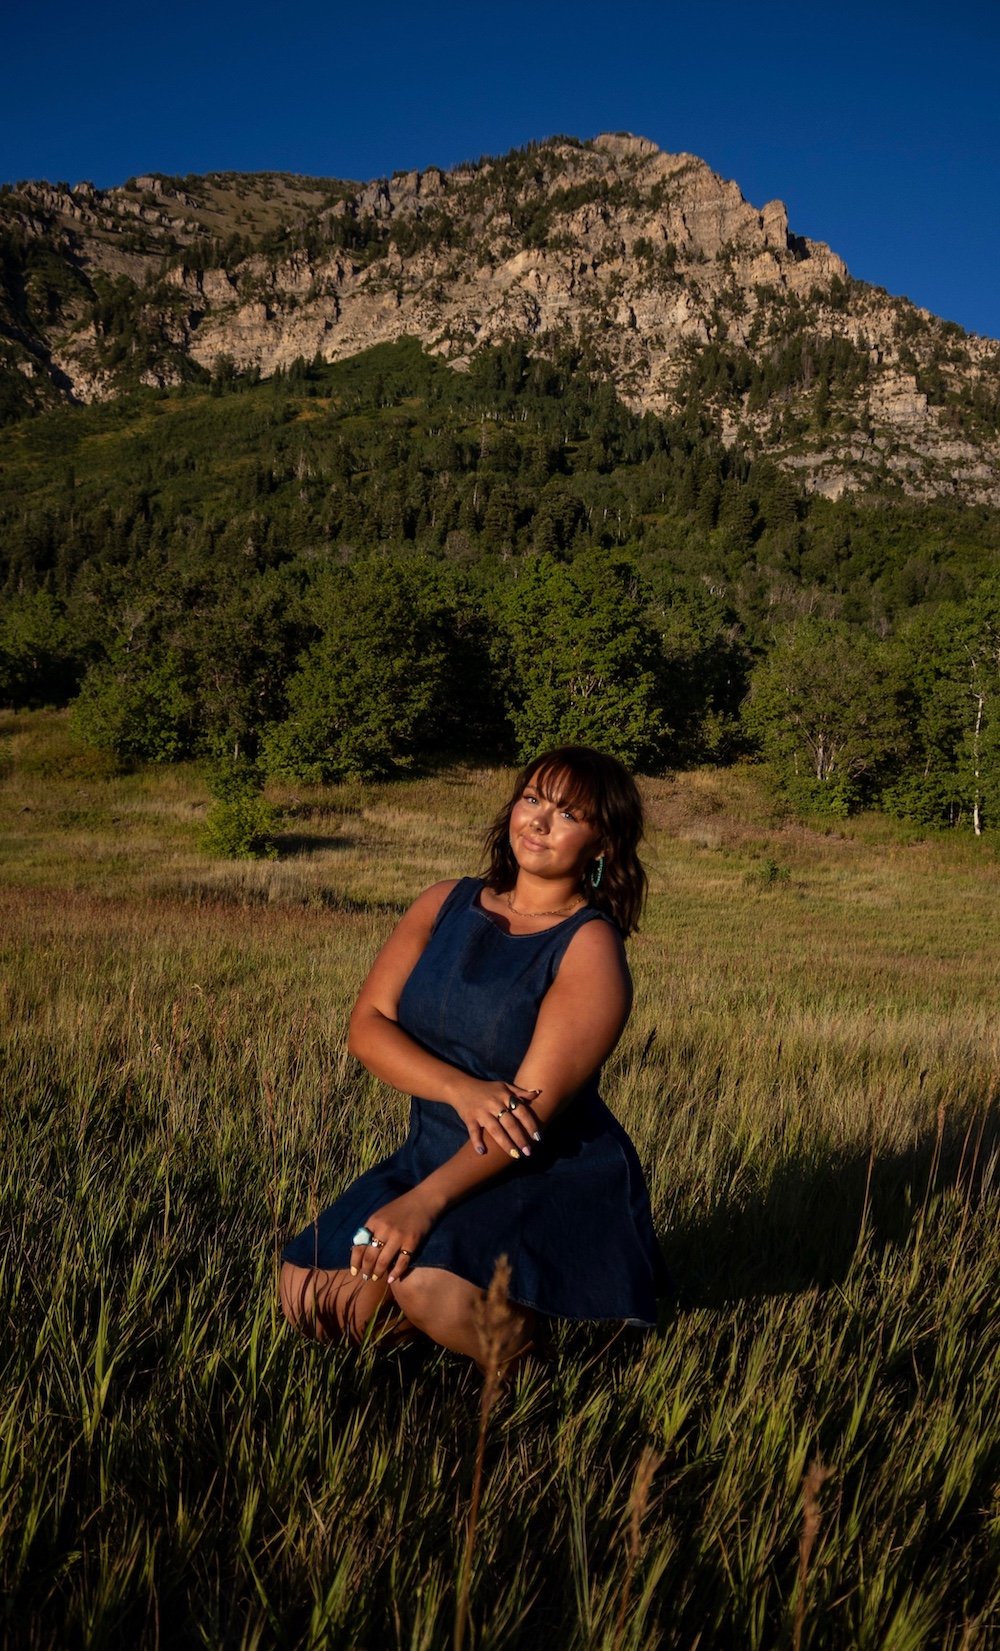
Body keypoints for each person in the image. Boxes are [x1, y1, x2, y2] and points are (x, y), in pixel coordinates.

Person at [279, 745, 666, 1368]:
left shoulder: (589, 947)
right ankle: (445, 1330)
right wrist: (461, 1090)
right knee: (311, 1299)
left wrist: (424, 1204)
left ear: (602, 846)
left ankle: (541, 1364)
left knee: (427, 1281)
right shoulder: (444, 903)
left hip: (538, 1174)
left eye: (568, 814)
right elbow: (368, 1028)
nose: (538, 822)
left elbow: (527, 1117)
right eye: (533, 799)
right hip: (429, 1151)